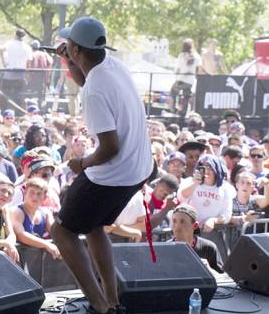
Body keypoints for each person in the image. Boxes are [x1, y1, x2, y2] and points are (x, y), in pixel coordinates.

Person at [49, 17, 155, 314]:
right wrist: (69, 60)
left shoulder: (93, 91)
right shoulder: (111, 65)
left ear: (76, 48)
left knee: (62, 232)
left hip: (115, 172)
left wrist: (81, 163)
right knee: (94, 225)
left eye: (70, 46)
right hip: (139, 167)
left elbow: (109, 148)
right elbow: (84, 75)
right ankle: (112, 297)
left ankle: (100, 306)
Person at [170, 204, 223, 273]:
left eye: (182, 222)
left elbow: (222, 276)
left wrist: (208, 270)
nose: (177, 226)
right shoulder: (167, 248)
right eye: (174, 221)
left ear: (195, 226)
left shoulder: (208, 248)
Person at [170, 39, 201, 114]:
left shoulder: (182, 55)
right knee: (186, 96)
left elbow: (178, 68)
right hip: (190, 81)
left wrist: (176, 76)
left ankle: (174, 109)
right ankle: (183, 112)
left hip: (181, 79)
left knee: (173, 91)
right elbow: (198, 67)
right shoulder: (196, 56)